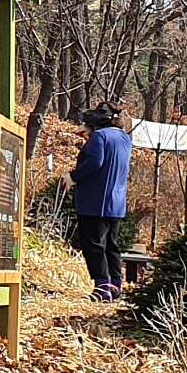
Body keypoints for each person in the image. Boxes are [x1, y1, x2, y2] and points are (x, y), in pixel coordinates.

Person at [62, 105, 131, 300]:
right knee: (111, 246)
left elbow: (95, 162)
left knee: (93, 245)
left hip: (95, 201)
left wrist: (72, 177)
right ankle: (116, 287)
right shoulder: (124, 137)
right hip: (116, 203)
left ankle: (102, 289)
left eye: (86, 123)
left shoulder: (99, 137)